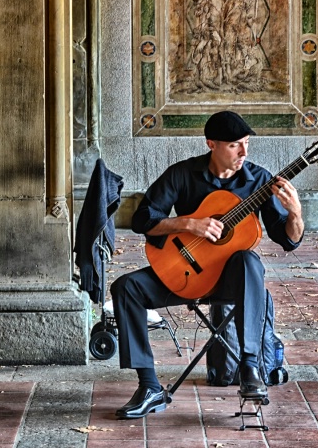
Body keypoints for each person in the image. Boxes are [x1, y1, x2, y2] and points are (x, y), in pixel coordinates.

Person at [110, 110, 304, 420]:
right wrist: (189, 224)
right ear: (211, 144)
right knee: (125, 287)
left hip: (231, 284)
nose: (243, 152)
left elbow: (288, 240)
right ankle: (149, 387)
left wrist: (295, 214)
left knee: (248, 260)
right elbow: (142, 220)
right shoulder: (182, 174)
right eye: (234, 145)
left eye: (246, 144)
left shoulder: (259, 181)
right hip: (186, 274)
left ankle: (250, 367)